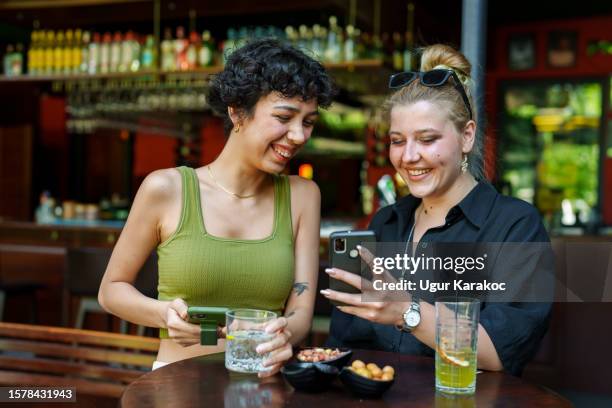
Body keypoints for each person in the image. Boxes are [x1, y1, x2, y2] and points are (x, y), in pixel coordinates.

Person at [98, 38, 335, 375]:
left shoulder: (303, 195)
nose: (298, 135)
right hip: (176, 382)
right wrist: (163, 314)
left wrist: (286, 336)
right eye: (285, 117)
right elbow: (111, 291)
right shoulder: (167, 189)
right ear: (237, 110)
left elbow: (301, 309)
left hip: (264, 385)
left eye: (308, 122)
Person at [322, 44, 551, 377]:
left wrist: (406, 311)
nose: (408, 156)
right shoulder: (386, 222)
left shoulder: (515, 225)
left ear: (467, 137)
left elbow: (498, 351)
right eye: (397, 140)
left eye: (427, 139)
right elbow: (345, 343)